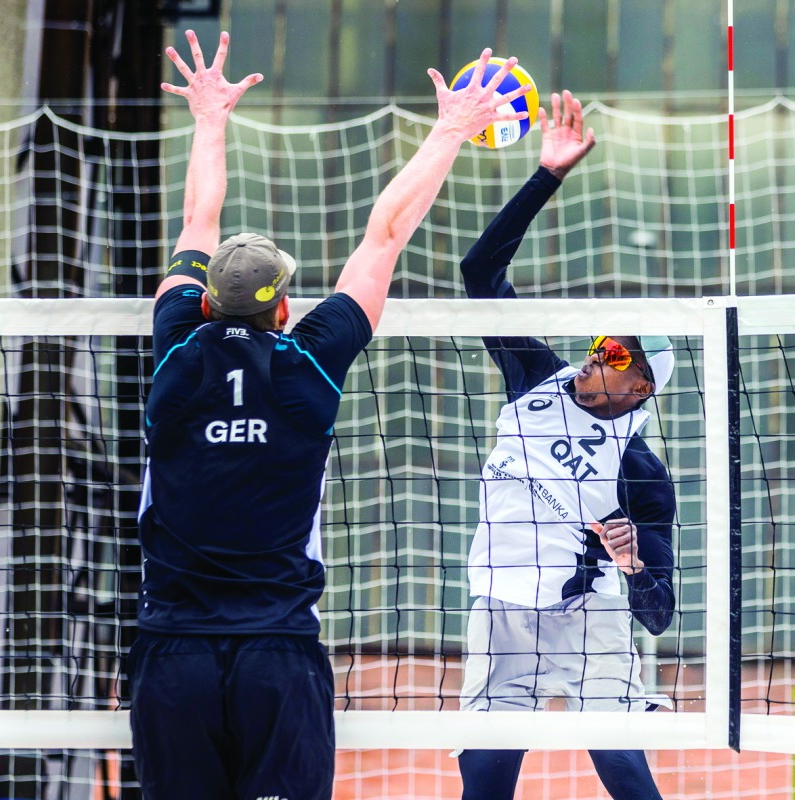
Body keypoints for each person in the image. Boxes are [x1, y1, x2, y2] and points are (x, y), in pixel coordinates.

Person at [128, 28, 533, 800]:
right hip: (275, 651)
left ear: (203, 297)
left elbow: (194, 223)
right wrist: (449, 129)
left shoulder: (176, 346)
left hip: (172, 647)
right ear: (285, 304)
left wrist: (207, 119)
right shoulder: (309, 362)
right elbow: (386, 234)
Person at [456, 91, 678, 800]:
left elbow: (660, 610)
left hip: (589, 616)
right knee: (484, 777)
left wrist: (635, 563)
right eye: (604, 343)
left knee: (619, 764)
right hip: (498, 607)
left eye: (619, 356)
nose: (599, 355)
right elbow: (478, 274)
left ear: (641, 389)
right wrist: (548, 174)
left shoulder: (641, 473)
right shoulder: (536, 377)